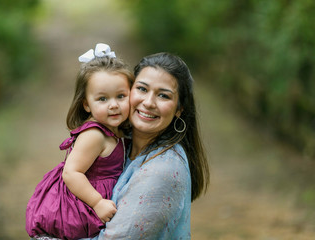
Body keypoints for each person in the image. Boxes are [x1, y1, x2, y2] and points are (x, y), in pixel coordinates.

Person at [35, 52, 210, 239]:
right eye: (142, 89)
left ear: (179, 109)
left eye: (163, 96)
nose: (148, 102)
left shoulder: (163, 170)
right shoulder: (117, 140)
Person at [25, 43, 134, 239]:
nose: (114, 105)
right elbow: (71, 172)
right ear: (86, 104)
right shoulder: (95, 135)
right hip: (76, 207)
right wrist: (97, 202)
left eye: (121, 96)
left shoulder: (116, 131)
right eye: (102, 99)